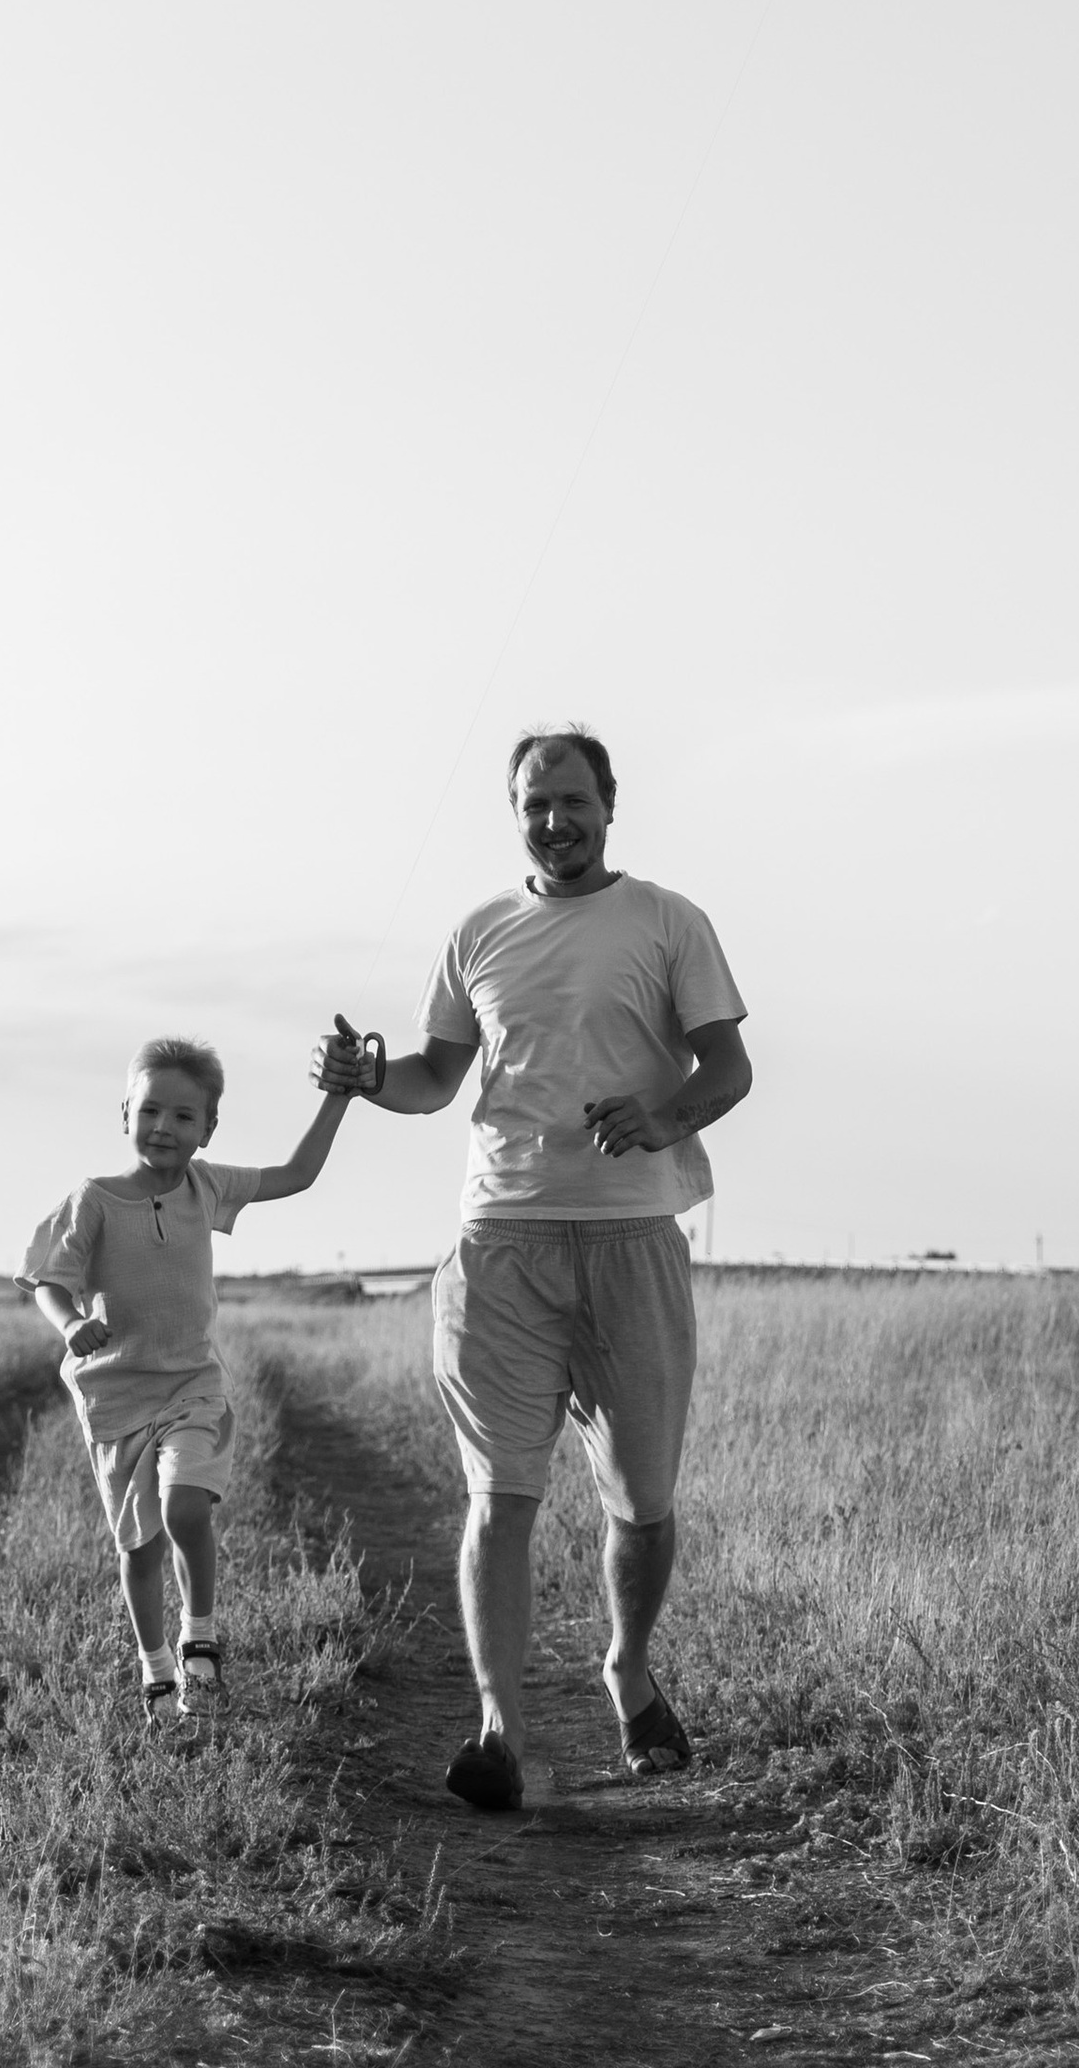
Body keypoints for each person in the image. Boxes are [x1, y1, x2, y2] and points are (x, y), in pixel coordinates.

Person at [316, 722, 750, 1813]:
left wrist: (661, 1117)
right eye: (534, 803)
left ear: (609, 805)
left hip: (630, 1243)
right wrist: (371, 1074)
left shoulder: (665, 920)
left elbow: (729, 1064)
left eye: (572, 799)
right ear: (514, 813)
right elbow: (434, 1079)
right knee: (498, 1493)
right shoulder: (478, 931)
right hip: (498, 1245)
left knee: (641, 1503)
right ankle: (498, 1731)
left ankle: (627, 1667)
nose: (554, 819)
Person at [23, 1034, 349, 1728]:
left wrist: (338, 1095)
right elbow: (49, 1279)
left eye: (181, 1115)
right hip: (116, 1395)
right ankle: (156, 1670)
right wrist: (70, 1321)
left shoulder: (210, 1186)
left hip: (191, 1386)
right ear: (124, 1114)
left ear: (208, 1129)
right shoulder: (97, 1200)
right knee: (138, 1547)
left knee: (184, 1507)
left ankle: (199, 1631)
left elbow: (296, 1172)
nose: (163, 1127)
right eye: (149, 1111)